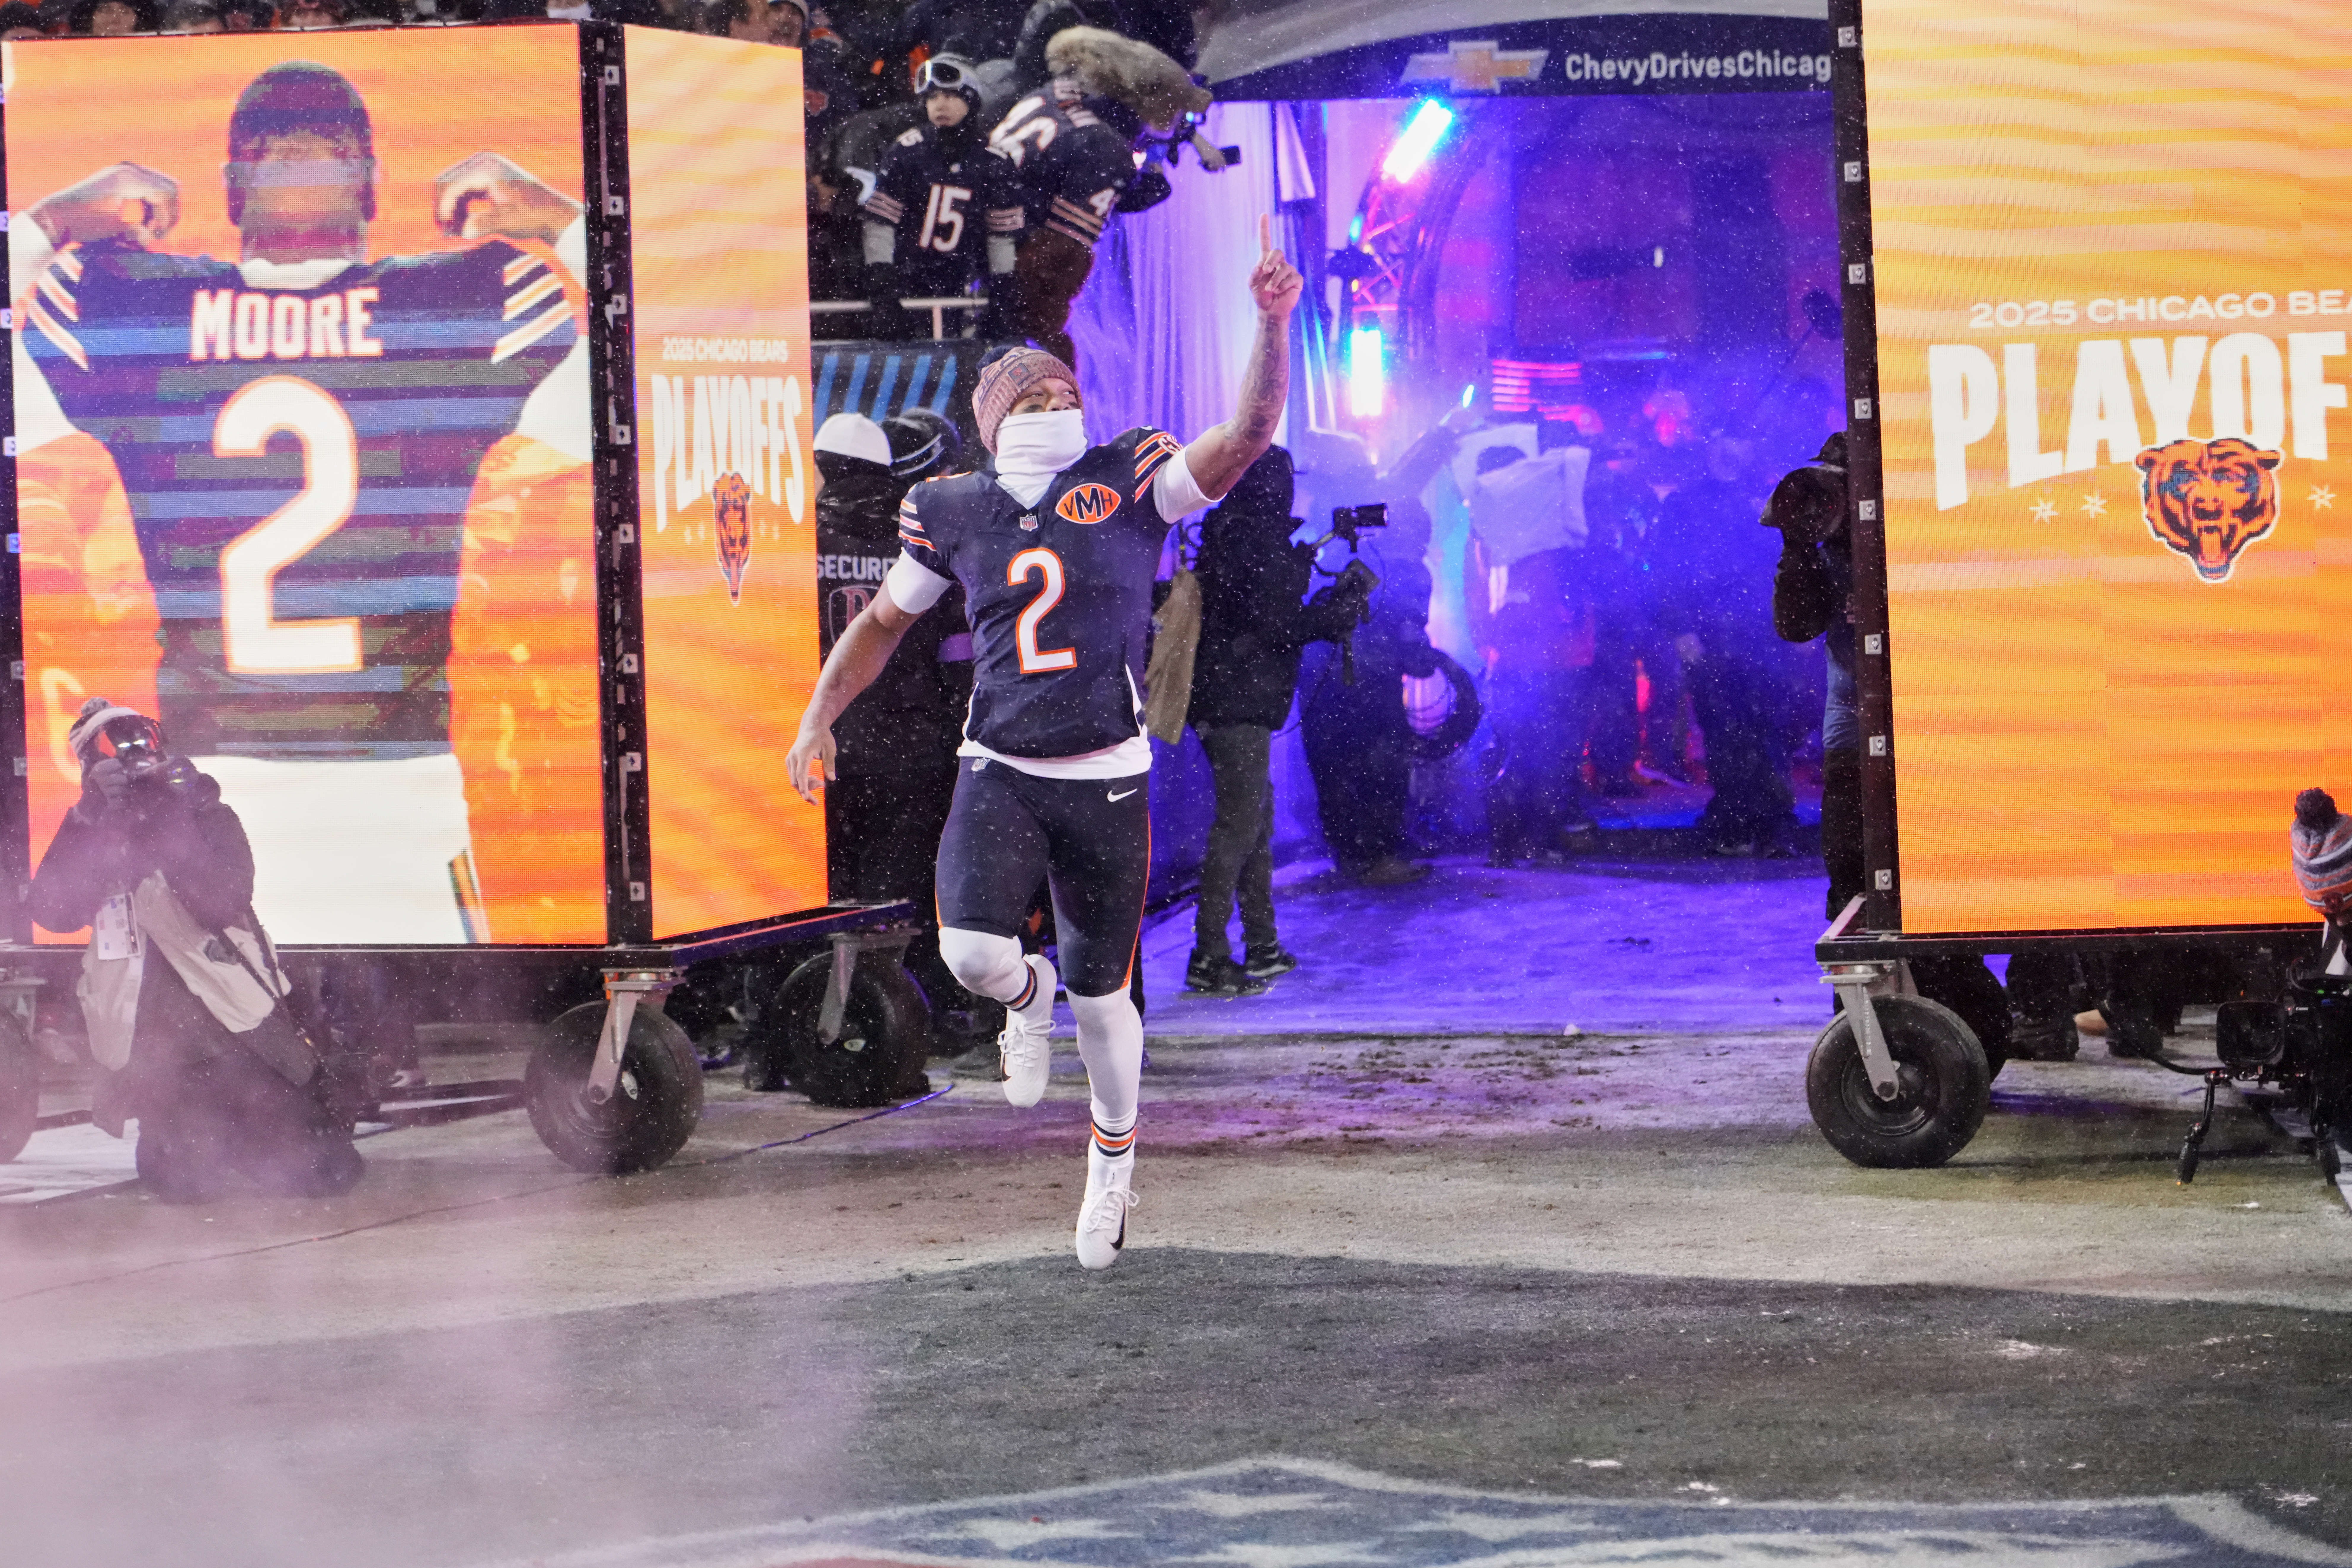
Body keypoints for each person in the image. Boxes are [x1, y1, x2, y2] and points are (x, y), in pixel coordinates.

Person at [786, 220, 1302, 1270]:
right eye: (1032, 399)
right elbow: (884, 622)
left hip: (1105, 776)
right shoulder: (954, 509)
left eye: (1066, 396)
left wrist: (1271, 321)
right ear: (991, 422)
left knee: (1108, 996)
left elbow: (1246, 433)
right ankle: (1026, 1001)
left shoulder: (1127, 481)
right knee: (972, 954)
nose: (1056, 407)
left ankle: (1111, 1166)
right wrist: (816, 715)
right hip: (1002, 767)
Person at [14, 62, 590, 943]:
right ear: (370, 181)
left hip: (210, 794)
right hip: (398, 782)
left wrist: (50, 223)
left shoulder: (128, 302)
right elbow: (675, 334)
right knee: (404, 1025)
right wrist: (557, 218)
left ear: (228, 188)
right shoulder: (463, 300)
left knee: (224, 1056)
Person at [30, 700, 363, 1202]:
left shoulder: (205, 813)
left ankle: (257, 1135)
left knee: (325, 1174)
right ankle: (218, 1143)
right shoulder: (93, 828)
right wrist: (89, 819)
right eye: (116, 755)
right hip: (161, 1057)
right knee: (184, 1186)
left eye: (140, 747)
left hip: (242, 1039)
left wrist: (170, 818)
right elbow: (54, 912)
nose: (133, 762)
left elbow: (221, 904)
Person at [1770, 433, 2016, 1058]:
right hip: (1855, 723)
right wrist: (1797, 545)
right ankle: (1862, 1034)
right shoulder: (1818, 542)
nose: (1830, 507)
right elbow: (1794, 626)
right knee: (1851, 880)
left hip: (1934, 720)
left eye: (1838, 494)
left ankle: (1963, 1007)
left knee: (1941, 880)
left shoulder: (1922, 523)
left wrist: (1890, 598)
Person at [811, 409, 989, 1047]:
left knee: (829, 900)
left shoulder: (797, 544)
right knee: (904, 896)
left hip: (825, 754)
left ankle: (807, 1024)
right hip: (910, 754)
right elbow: (959, 660)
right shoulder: (916, 547)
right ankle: (913, 1019)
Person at [1183, 446, 1365, 994]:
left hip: (1229, 700)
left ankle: (1261, 945)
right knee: (1240, 827)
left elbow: (1267, 614)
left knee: (1254, 825)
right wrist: (1333, 614)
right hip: (1237, 702)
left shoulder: (1234, 536)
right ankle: (1210, 955)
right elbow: (1276, 624)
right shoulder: (1253, 543)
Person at [984, 25, 1207, 363]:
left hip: (966, 253)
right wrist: (1045, 337)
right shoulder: (1102, 145)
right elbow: (1058, 258)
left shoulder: (1042, 97)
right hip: (1011, 272)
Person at [1658, 437, 1798, 856]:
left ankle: (1772, 823)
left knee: (1767, 727)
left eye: (1739, 441)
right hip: (1710, 636)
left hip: (1762, 634)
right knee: (1721, 727)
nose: (1730, 451)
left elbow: (1794, 561)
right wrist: (1680, 628)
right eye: (1721, 441)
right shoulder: (1684, 505)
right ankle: (1734, 820)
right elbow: (1666, 569)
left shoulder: (1770, 498)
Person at [1466, 431, 1598, 866]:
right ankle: (1538, 838)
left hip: (1529, 659)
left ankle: (1518, 841)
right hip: (1549, 659)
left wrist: (1488, 646)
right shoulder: (1557, 523)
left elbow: (1477, 597)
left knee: (1519, 749)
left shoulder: (1493, 532)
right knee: (1547, 750)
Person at [858, 55, 1023, 340]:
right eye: (932, 97)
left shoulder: (994, 161)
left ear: (971, 99)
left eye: (949, 95)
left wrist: (1001, 295)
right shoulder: (907, 151)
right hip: (908, 280)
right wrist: (883, 287)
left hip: (962, 282)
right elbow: (880, 224)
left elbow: (1001, 238)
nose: (939, 104)